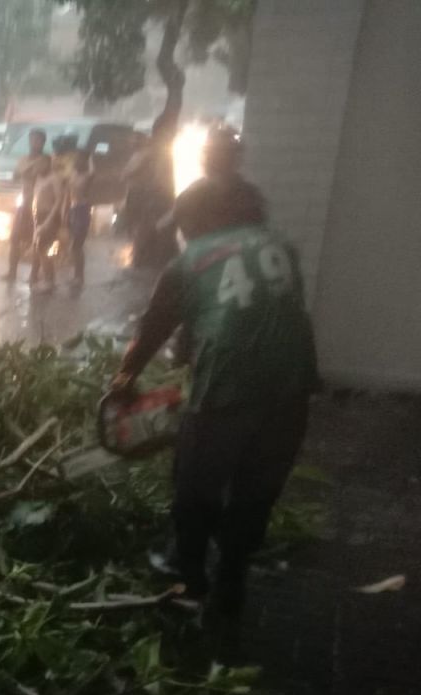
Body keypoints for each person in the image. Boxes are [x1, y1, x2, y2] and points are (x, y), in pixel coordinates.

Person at [110, 167, 319, 620]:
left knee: (193, 486)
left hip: (226, 386)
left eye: (185, 225)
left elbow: (152, 332)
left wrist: (124, 381)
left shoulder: (189, 261)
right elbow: (251, 309)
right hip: (293, 387)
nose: (183, 235)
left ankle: (188, 574)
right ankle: (232, 579)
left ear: (202, 220)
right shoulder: (281, 245)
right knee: (256, 490)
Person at [122, 115, 179, 269]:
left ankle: (144, 263)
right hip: (146, 199)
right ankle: (142, 262)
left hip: (154, 199)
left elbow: (130, 173)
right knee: (141, 231)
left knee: (150, 233)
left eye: (136, 139)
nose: (132, 142)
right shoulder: (152, 152)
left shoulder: (154, 153)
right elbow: (126, 174)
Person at [2, 128, 51, 281]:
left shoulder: (46, 159)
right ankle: (12, 273)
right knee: (15, 238)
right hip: (24, 202)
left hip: (40, 204)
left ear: (43, 142)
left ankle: (34, 274)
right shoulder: (24, 158)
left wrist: (25, 170)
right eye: (32, 139)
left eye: (38, 140)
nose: (34, 143)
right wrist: (26, 170)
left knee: (36, 240)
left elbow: (36, 172)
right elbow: (16, 176)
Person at [29, 151, 69, 290]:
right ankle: (38, 276)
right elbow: (35, 197)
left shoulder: (54, 178)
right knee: (37, 248)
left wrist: (49, 220)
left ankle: (49, 281)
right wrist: (35, 219)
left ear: (47, 164)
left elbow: (59, 200)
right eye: (37, 164)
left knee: (44, 248)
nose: (38, 166)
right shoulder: (39, 178)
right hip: (38, 216)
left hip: (49, 216)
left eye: (40, 164)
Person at [64, 149, 95, 289]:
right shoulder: (73, 174)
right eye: (76, 158)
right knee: (73, 246)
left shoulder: (87, 175)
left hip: (82, 210)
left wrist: (90, 158)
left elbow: (93, 172)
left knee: (77, 245)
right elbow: (67, 192)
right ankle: (76, 276)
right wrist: (65, 212)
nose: (77, 161)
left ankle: (79, 277)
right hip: (73, 209)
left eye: (81, 159)